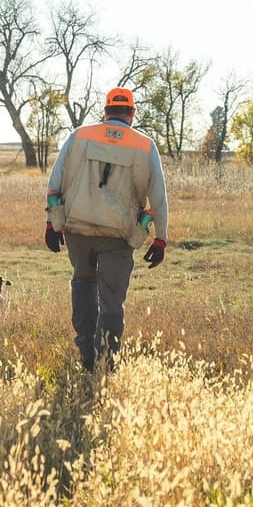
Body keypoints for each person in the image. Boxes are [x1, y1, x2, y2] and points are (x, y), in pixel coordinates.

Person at [44, 87, 168, 372]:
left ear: (106, 111)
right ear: (132, 113)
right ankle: (106, 363)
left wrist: (52, 223)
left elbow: (55, 181)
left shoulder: (79, 135)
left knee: (83, 285)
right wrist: (160, 238)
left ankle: (87, 356)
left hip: (77, 229)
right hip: (119, 236)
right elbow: (159, 196)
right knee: (112, 300)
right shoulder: (145, 145)